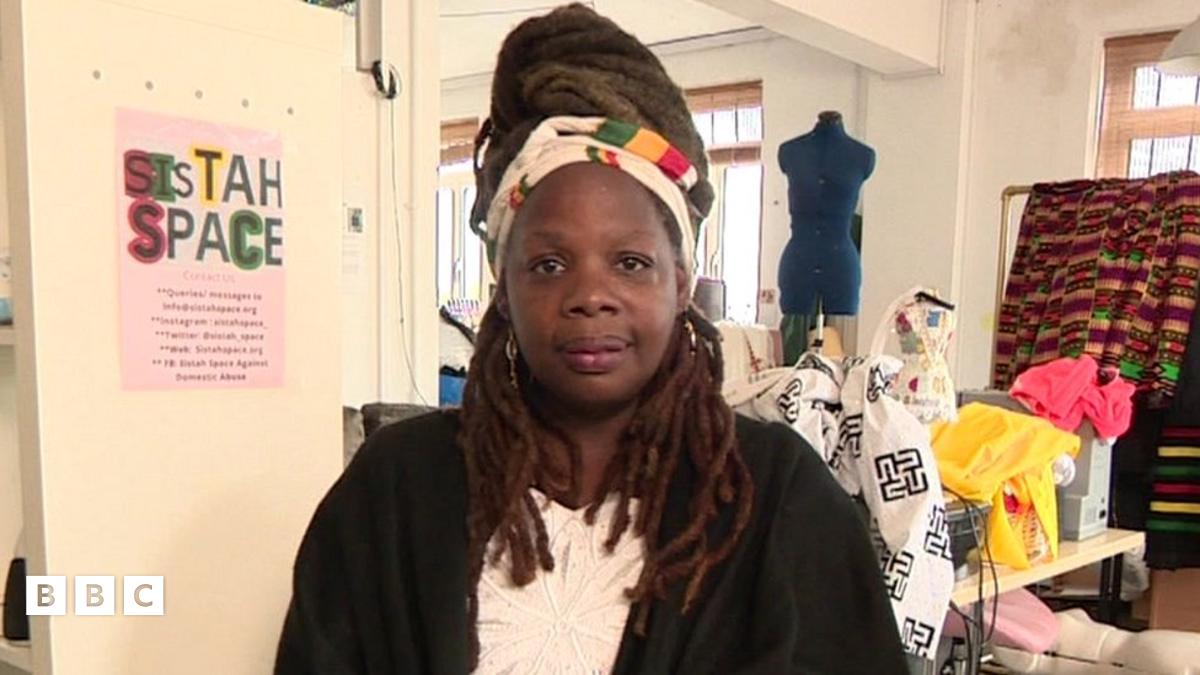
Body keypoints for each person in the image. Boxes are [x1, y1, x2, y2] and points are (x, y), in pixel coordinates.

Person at [274, 5, 906, 674]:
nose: (589, 294)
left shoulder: (775, 498)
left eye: (630, 262)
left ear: (681, 282)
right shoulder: (395, 490)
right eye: (549, 264)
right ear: (503, 287)